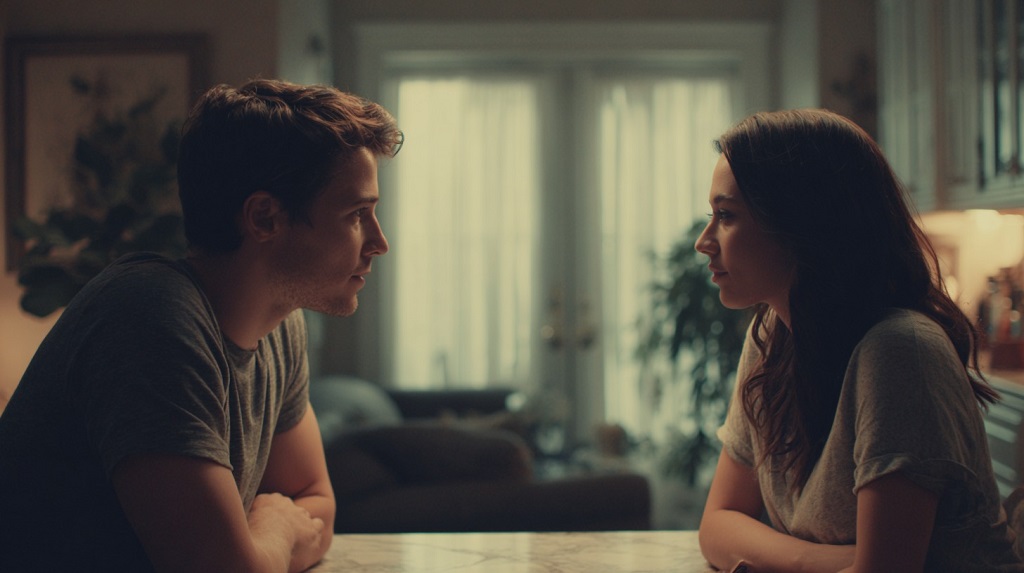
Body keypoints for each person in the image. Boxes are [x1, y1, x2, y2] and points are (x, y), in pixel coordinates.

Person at [0, 78, 403, 572]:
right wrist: (276, 528)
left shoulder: (280, 324)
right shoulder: (150, 316)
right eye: (357, 214)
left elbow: (315, 504)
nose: (379, 242)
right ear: (264, 218)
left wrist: (262, 546)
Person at [695, 109, 1023, 572]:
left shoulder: (901, 352)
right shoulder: (773, 336)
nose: (704, 241)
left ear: (800, 223)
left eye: (726, 216)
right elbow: (717, 524)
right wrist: (827, 561)